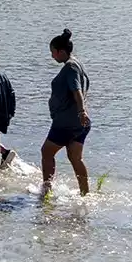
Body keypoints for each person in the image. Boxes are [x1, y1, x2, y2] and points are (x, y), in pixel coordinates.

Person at [40, 29, 91, 195]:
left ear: (61, 51)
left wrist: (81, 111)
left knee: (46, 151)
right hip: (79, 123)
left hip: (67, 123)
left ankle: (47, 189)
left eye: (53, 53)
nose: (52, 56)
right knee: (75, 158)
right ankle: (85, 193)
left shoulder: (70, 68)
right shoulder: (77, 64)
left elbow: (77, 91)